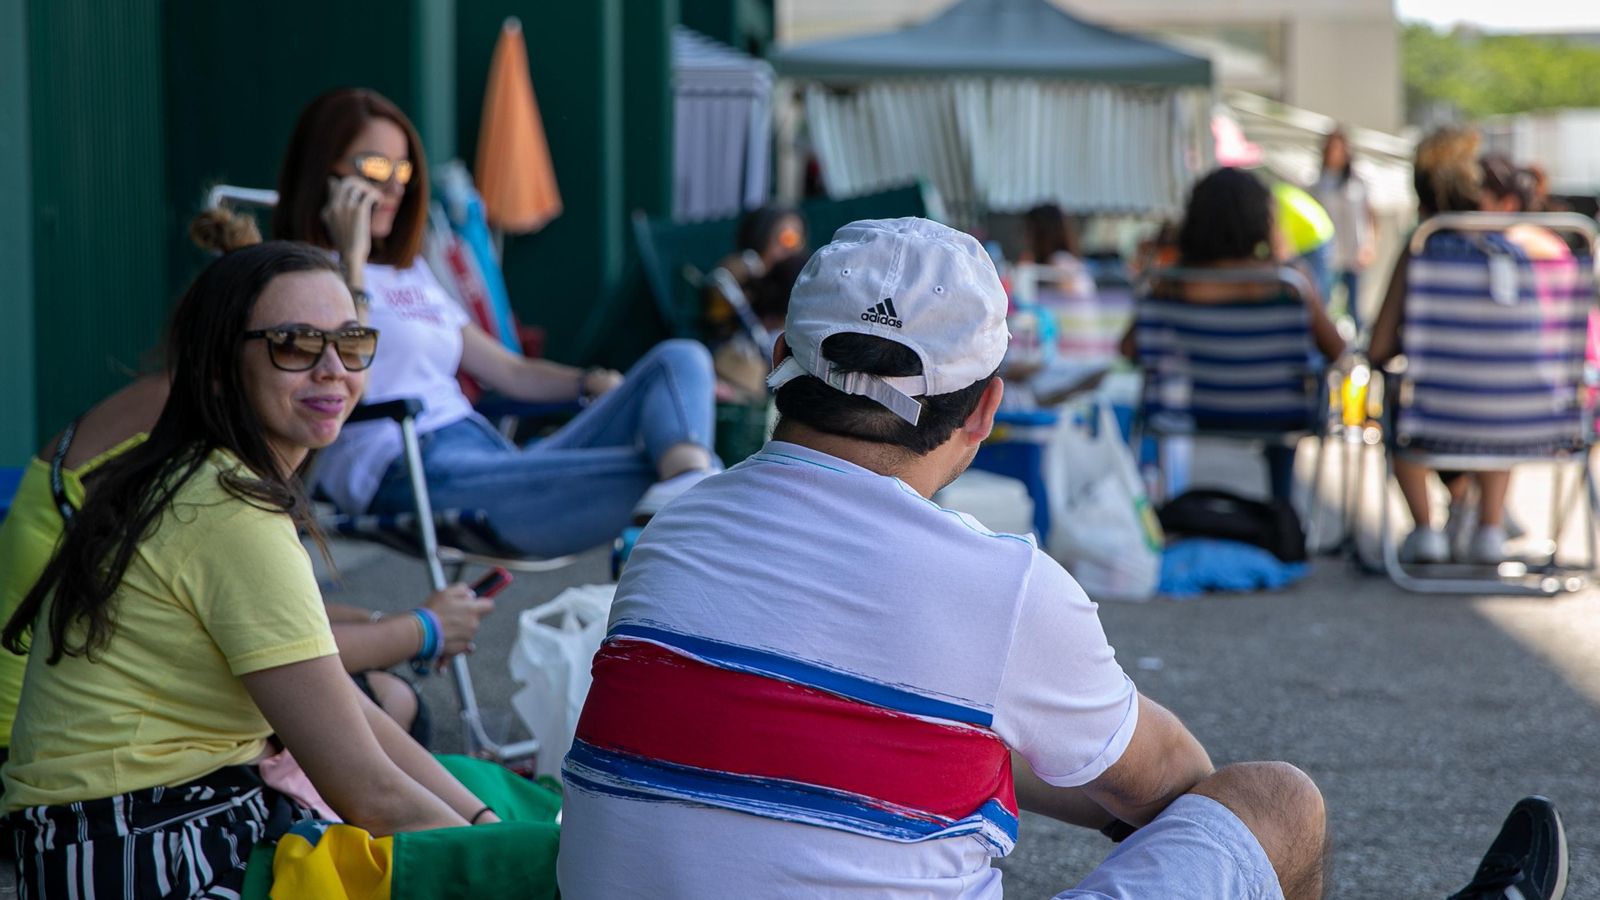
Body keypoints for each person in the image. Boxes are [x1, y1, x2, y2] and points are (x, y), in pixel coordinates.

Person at [558, 217, 1326, 899]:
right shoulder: (1006, 590)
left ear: (781, 356)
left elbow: (832, 733)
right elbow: (1175, 784)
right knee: (1276, 803)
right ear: (985, 409)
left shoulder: (672, 527)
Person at [1, 238, 501, 896]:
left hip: (104, 835)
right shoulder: (228, 512)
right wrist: (500, 864)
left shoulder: (200, 476)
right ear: (218, 368)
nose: (333, 369)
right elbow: (371, 795)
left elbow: (350, 714)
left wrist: (482, 823)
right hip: (135, 852)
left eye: (351, 342)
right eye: (294, 344)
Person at [274, 88, 718, 557]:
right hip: (410, 469)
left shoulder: (412, 271)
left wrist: (588, 382)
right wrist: (352, 259)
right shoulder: (299, 277)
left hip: (485, 454)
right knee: (669, 477)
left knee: (681, 358)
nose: (396, 187)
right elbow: (345, 374)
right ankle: (697, 491)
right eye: (377, 168)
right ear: (328, 170)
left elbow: (508, 371)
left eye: (403, 170)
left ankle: (689, 478)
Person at [1123, 168, 1345, 503]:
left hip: (1202, 408)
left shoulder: (1171, 282)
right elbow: (1337, 350)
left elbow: (1128, 349)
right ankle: (1282, 508)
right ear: (1261, 220)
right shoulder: (1289, 282)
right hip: (1281, 413)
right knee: (1288, 398)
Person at [1369, 128, 1516, 565]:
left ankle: (1424, 529)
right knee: (1495, 393)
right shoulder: (1510, 253)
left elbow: (1377, 348)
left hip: (1431, 416)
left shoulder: (1420, 249)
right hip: (1515, 422)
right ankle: (1489, 526)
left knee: (1402, 397)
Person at [1310, 128, 1378, 330]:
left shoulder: (1358, 183)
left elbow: (1370, 216)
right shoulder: (1317, 184)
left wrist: (1370, 244)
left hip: (1354, 252)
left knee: (1356, 308)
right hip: (1328, 253)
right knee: (1326, 305)